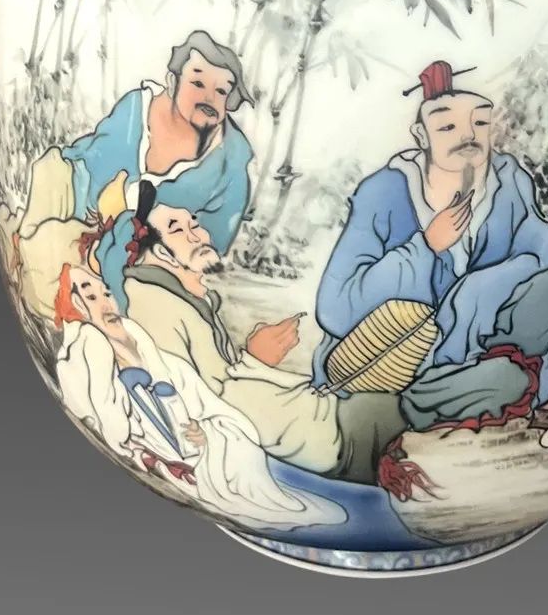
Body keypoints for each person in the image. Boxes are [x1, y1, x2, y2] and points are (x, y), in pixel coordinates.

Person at [312, 61, 548, 429]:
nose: (467, 135)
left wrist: (481, 292)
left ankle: (470, 386)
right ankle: (416, 404)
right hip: (398, 356)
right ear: (421, 135)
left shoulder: (508, 181)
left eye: (479, 122)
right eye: (447, 126)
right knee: (506, 380)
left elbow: (546, 255)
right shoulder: (384, 191)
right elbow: (335, 308)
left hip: (483, 340)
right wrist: (425, 248)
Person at [122, 181, 404, 482]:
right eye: (177, 230)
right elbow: (195, 407)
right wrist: (256, 360)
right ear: (161, 252)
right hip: (286, 433)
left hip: (289, 417)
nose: (198, 236)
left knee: (383, 407)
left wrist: (256, 361)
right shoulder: (154, 306)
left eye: (194, 224)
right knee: (381, 415)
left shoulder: (189, 298)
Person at [53, 260, 345, 532]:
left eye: (106, 293)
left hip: (212, 464)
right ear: (76, 308)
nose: (106, 303)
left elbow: (224, 414)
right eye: (91, 297)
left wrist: (208, 435)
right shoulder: (90, 366)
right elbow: (113, 430)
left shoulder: (169, 366)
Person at [60, 30, 255, 305]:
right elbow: (90, 172)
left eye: (222, 91)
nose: (210, 98)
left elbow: (212, 242)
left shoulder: (230, 160)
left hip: (160, 270)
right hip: (85, 234)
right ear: (173, 82)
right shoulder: (135, 112)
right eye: (197, 83)